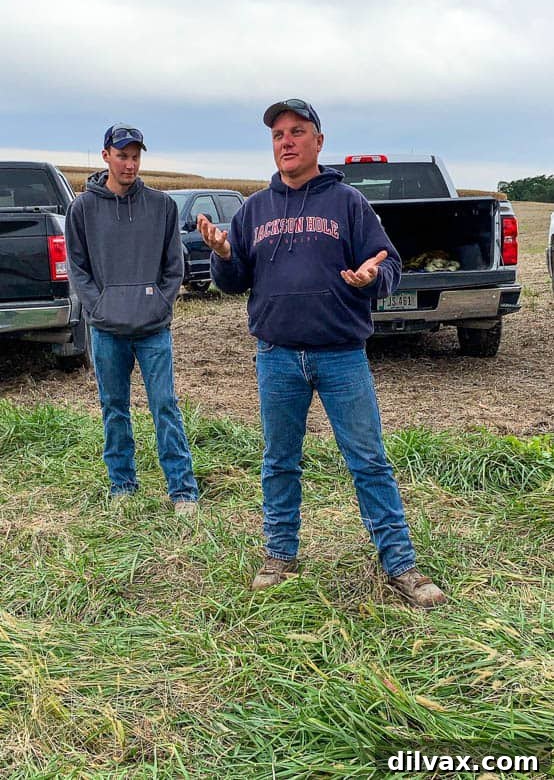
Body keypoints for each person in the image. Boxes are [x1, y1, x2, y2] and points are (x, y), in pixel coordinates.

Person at [197, 99, 446, 608]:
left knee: (369, 461)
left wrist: (374, 276)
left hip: (340, 356)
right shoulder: (254, 209)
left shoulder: (348, 203)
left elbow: (389, 263)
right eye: (277, 135)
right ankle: (279, 555)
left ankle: (401, 566)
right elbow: (233, 281)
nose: (285, 141)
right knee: (279, 461)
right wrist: (222, 254)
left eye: (297, 131)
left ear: (318, 142)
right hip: (277, 356)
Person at [65, 123, 199, 516]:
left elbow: (174, 268)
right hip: (107, 330)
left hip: (153, 329)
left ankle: (182, 491)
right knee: (114, 407)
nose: (130, 163)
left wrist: (160, 303)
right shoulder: (82, 208)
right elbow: (78, 267)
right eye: (122, 155)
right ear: (106, 155)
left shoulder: (162, 206)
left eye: (136, 155)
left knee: (165, 405)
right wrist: (99, 307)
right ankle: (122, 485)